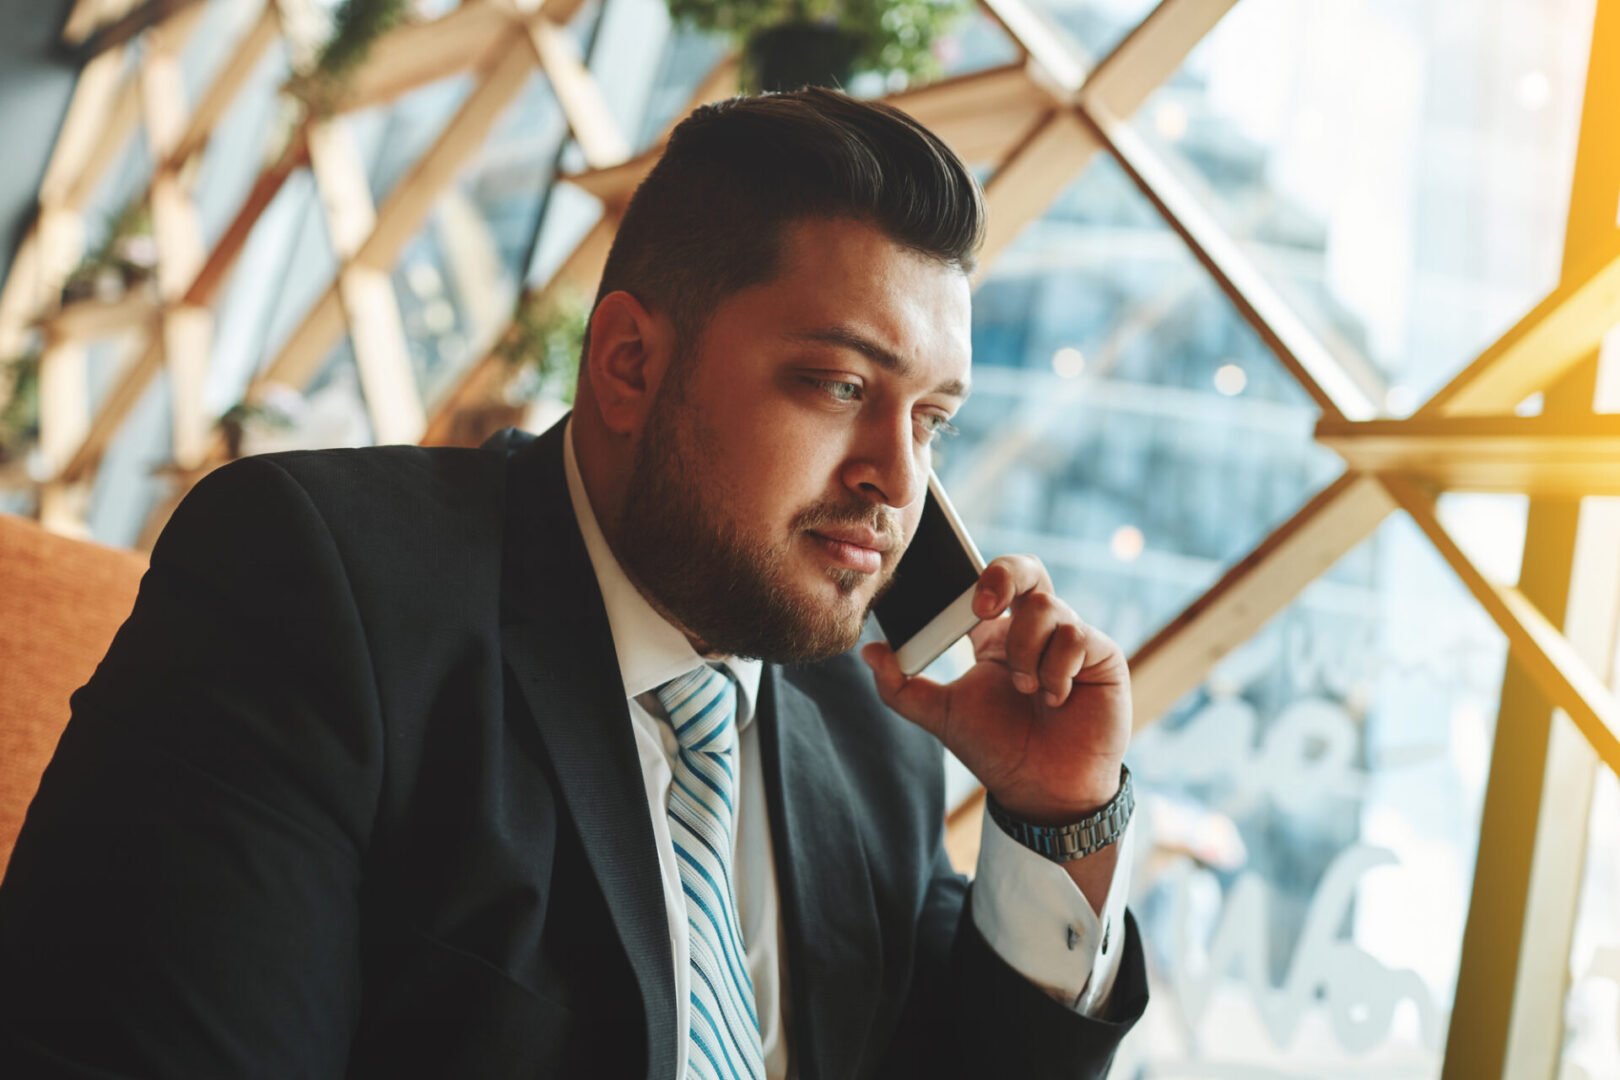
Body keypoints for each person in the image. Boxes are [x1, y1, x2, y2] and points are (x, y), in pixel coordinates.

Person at [0, 86, 1147, 1078]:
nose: (898, 479)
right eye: (839, 385)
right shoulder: (316, 589)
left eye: (933, 419)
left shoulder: (866, 725)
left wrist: (1058, 819)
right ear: (630, 362)